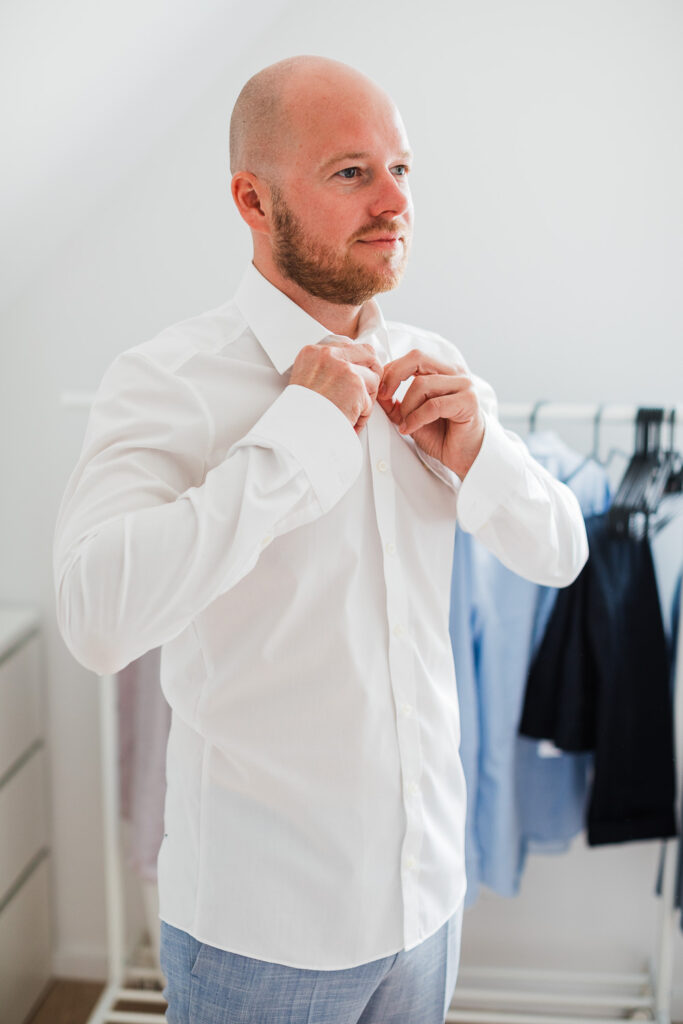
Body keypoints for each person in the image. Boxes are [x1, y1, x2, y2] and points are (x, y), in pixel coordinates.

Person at [53, 55, 588, 1024]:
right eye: (351, 172)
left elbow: (559, 552)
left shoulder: (436, 372)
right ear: (251, 200)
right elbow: (95, 620)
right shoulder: (164, 382)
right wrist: (292, 440)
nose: (393, 201)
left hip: (426, 905)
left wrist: (482, 453)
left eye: (401, 169)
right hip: (261, 933)